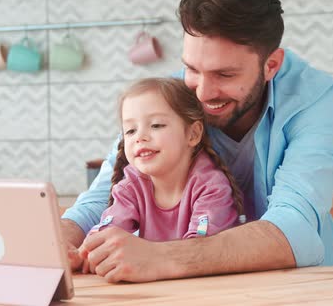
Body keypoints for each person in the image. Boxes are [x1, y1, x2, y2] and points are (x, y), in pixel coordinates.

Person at [61, 0, 333, 283]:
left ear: (271, 65)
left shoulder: (313, 98)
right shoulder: (173, 94)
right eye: (192, 69)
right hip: (206, 288)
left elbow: (296, 227)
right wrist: (61, 241)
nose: (202, 93)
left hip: (309, 286)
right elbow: (104, 194)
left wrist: (162, 256)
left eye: (225, 74)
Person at [70, 78, 246, 272]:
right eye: (130, 130)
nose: (140, 137)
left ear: (193, 134)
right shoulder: (131, 185)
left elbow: (200, 250)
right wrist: (86, 254)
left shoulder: (211, 187)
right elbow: (110, 230)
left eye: (156, 125)